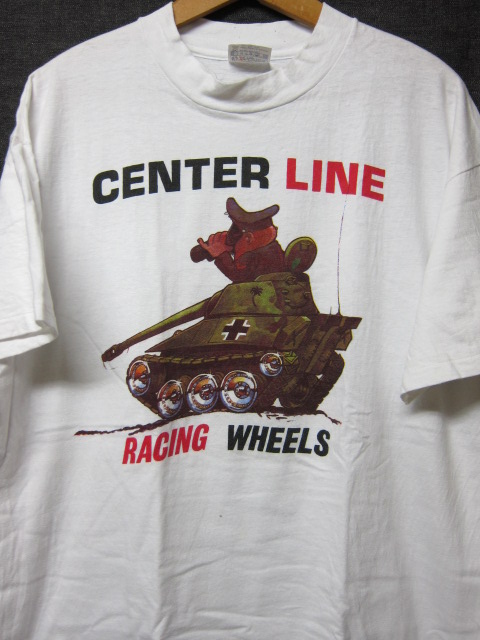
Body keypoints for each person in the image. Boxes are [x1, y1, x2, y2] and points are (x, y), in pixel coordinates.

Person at [196, 197, 285, 282]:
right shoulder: (274, 248)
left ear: (249, 238)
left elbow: (238, 275)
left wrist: (221, 254)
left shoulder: (253, 257)